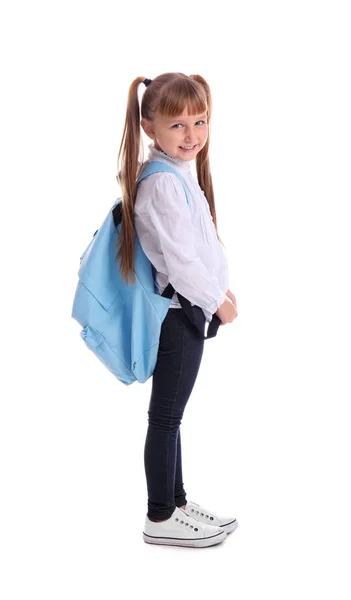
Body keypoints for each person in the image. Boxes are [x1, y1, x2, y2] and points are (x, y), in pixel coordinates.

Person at [116, 72, 238, 548]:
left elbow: (195, 249)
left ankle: (178, 503)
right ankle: (159, 516)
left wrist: (221, 292)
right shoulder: (164, 184)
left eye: (200, 122)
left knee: (172, 416)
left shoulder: (174, 175)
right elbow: (182, 264)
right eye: (178, 126)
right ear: (149, 128)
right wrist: (215, 304)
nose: (192, 136)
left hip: (187, 307)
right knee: (165, 418)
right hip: (178, 312)